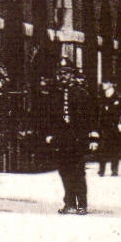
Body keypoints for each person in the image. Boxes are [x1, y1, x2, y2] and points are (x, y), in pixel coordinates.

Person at [41, 64, 96, 214]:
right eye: (61, 74)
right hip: (61, 140)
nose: (63, 77)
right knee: (64, 171)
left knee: (78, 172)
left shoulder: (82, 94)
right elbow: (50, 117)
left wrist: (93, 138)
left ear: (72, 76)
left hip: (77, 139)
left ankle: (82, 204)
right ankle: (69, 203)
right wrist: (49, 134)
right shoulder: (55, 95)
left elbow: (90, 117)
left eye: (66, 74)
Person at [96, 81, 121, 177]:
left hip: (114, 126)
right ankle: (101, 170)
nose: (103, 85)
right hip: (104, 126)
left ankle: (114, 169)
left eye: (105, 83)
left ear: (110, 84)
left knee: (114, 148)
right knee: (102, 148)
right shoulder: (101, 96)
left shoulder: (118, 97)